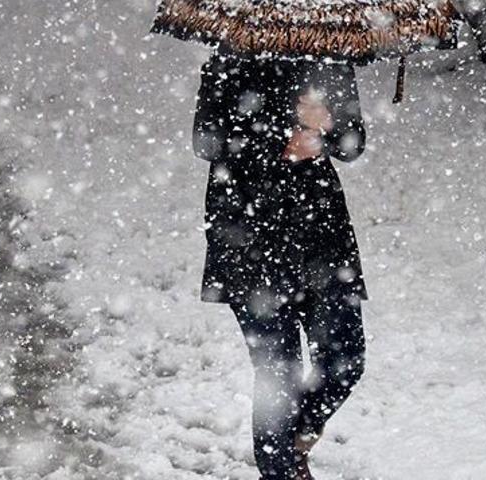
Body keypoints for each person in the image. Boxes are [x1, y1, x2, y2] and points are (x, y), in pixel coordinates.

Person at [192, 43, 369, 480]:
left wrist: (326, 128)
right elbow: (206, 140)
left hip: (321, 237)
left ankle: (297, 437)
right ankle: (282, 471)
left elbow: (352, 143)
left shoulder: (328, 54)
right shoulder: (230, 56)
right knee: (279, 375)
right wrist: (283, 134)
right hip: (248, 236)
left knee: (345, 357)